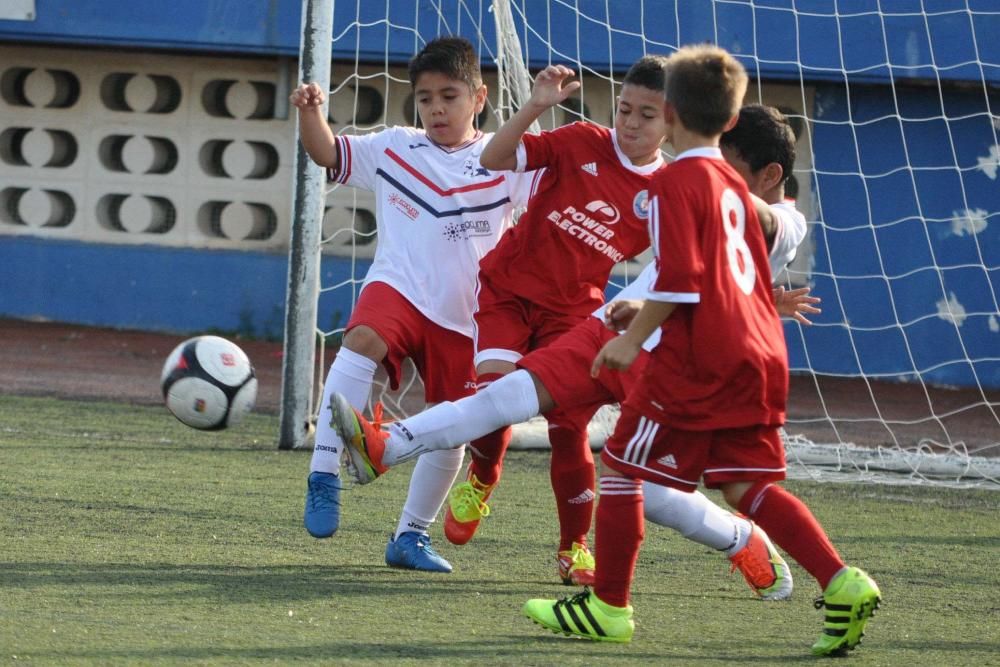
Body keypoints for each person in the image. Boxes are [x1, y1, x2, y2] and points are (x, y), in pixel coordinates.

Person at [336, 102, 821, 601]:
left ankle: (741, 539)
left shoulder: (785, 220)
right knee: (508, 395)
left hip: (672, 366)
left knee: (645, 492)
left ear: (769, 176)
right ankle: (387, 446)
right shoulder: (631, 161)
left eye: (726, 165)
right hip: (610, 329)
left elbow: (749, 236)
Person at [521, 45, 880, 655]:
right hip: (760, 350)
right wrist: (648, 310)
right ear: (730, 119)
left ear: (673, 112)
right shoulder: (739, 192)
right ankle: (842, 580)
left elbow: (681, 278)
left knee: (622, 470)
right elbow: (720, 276)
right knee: (745, 487)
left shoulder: (674, 183)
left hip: (700, 360)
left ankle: (609, 607)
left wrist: (631, 339)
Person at [289, 36, 536, 573]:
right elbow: (328, 152)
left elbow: (552, 211)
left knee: (450, 428)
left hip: (468, 318)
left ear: (480, 97)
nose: (436, 108)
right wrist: (311, 114)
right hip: (399, 289)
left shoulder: (508, 159)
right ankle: (325, 471)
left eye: (448, 95)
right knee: (361, 340)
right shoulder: (395, 146)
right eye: (425, 98)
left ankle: (409, 537)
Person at [438, 56, 671, 587]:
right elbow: (494, 158)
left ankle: (574, 548)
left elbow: (687, 263)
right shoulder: (581, 141)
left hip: (574, 312)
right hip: (508, 291)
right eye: (625, 110)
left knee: (569, 427)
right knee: (494, 399)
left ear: (672, 123)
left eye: (647, 116)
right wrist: (537, 106)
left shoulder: (668, 190)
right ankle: (482, 474)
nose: (630, 124)